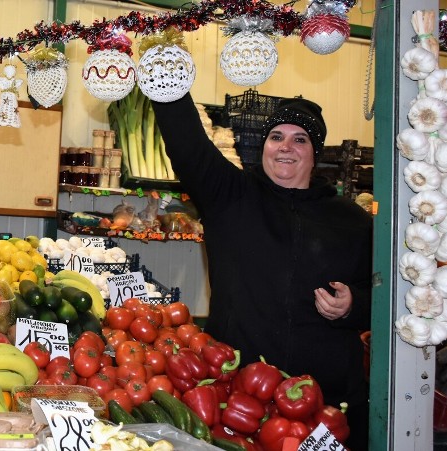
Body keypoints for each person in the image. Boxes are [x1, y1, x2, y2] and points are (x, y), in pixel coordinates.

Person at [151, 93, 372, 450]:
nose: (286, 147)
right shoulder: (230, 195)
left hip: (324, 400)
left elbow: (386, 297)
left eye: (300, 139)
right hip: (238, 393)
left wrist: (354, 304)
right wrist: (167, 82)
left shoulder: (354, 221)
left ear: (315, 153)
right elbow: (187, 144)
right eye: (276, 137)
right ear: (264, 146)